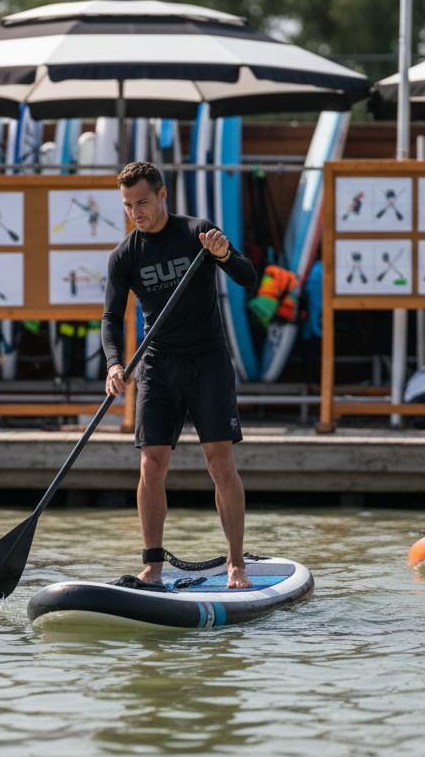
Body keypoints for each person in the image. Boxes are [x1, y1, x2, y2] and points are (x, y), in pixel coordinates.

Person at [100, 161, 257, 589]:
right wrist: (114, 363)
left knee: (219, 460)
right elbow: (111, 317)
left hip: (208, 362)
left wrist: (223, 254)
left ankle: (236, 563)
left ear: (162, 194)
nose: (136, 212)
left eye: (143, 202)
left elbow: (247, 277)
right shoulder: (125, 255)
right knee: (151, 463)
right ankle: (152, 565)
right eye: (128, 205)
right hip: (158, 365)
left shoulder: (197, 233)